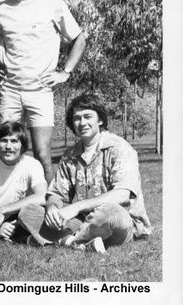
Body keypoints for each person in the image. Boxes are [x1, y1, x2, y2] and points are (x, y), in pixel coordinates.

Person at [0, 0, 87, 184]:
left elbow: (79, 38)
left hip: (40, 92)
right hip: (10, 92)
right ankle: (11, 207)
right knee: (9, 153)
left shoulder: (51, 3)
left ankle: (51, 204)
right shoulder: (1, 9)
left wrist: (65, 72)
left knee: (42, 154)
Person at [18, 93, 152, 253]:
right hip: (84, 221)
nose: (82, 123)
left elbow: (122, 194)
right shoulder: (70, 155)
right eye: (77, 118)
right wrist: (52, 208)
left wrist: (77, 206)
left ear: (100, 120)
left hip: (121, 222)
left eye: (88, 116)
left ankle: (67, 241)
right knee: (28, 211)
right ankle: (82, 243)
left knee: (109, 210)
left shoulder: (119, 148)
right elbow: (56, 193)